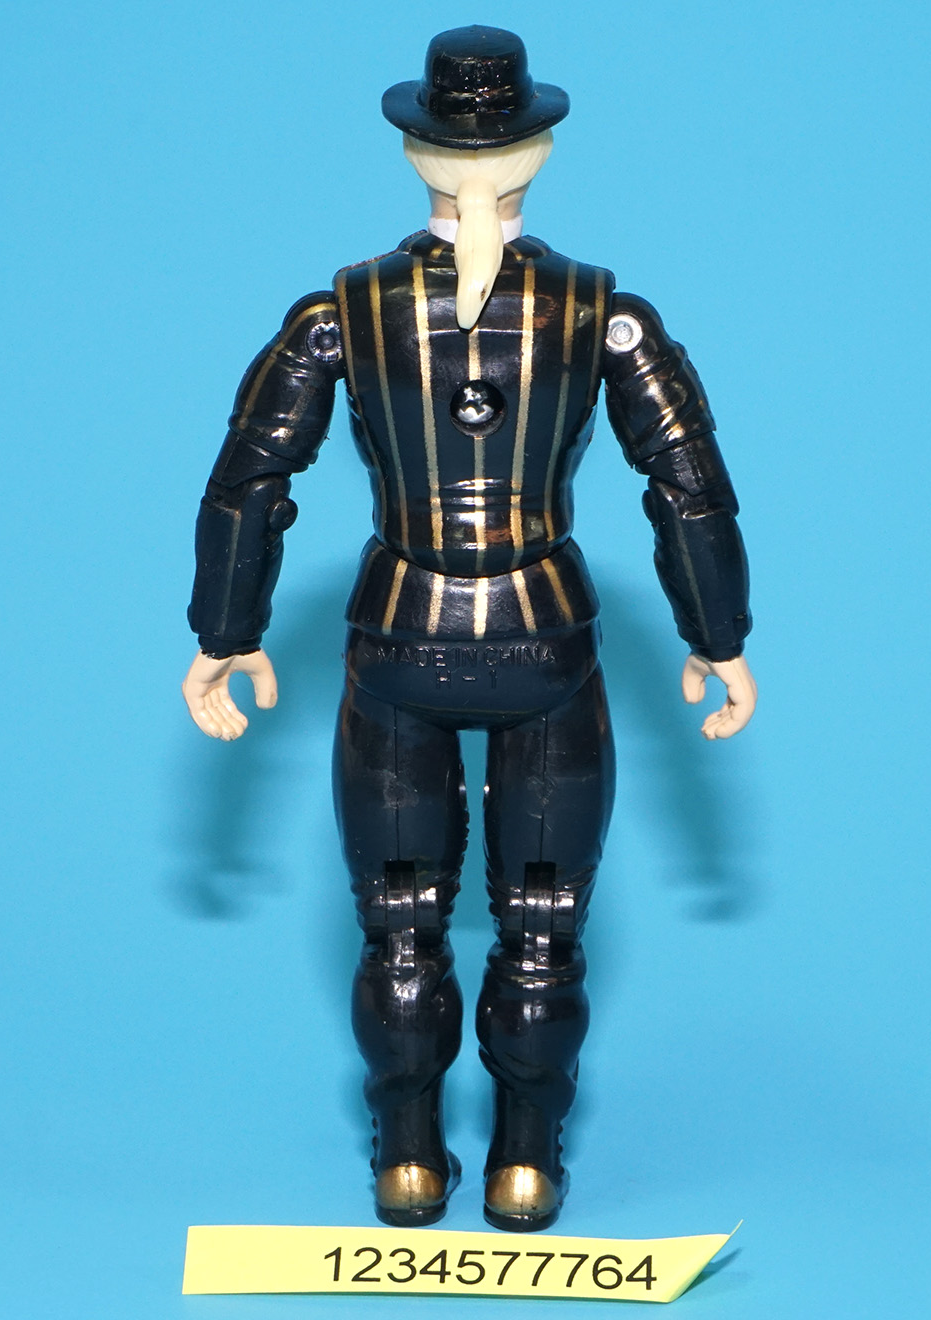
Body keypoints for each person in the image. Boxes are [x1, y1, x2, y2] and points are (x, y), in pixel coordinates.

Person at [181, 26, 756, 1231]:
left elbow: (249, 480)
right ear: (538, 151)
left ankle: (405, 1161)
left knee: (400, 922)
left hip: (401, 635)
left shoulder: (338, 315)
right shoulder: (608, 318)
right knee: (540, 924)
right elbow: (688, 487)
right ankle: (524, 1166)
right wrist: (718, 637)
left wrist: (225, 634)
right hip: (542, 640)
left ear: (414, 154)